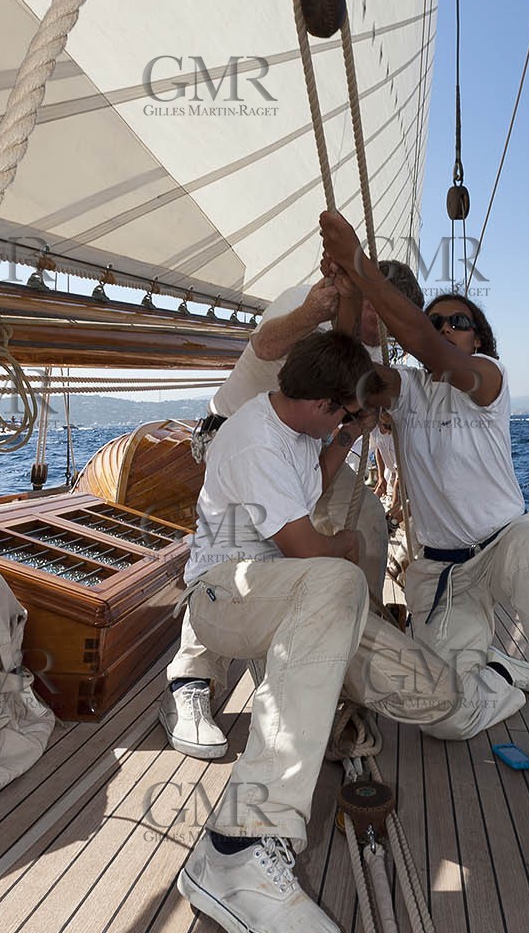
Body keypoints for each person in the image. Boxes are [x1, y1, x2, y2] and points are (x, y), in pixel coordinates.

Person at [174, 330, 523, 933]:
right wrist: (351, 548)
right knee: (337, 578)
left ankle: (487, 682)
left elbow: (309, 485)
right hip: (225, 596)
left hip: (293, 598)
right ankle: (238, 847)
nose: (343, 425)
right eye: (342, 414)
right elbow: (307, 549)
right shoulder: (251, 438)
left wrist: (342, 440)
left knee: (436, 695)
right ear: (323, 403)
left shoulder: (300, 429)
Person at [320, 210, 529, 811]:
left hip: (504, 546)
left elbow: (430, 351)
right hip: (443, 572)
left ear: (479, 341)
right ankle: (501, 674)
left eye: (459, 322)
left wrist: (359, 264)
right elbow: (348, 373)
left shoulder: (486, 381)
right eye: (435, 320)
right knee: (443, 719)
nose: (445, 328)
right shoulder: (408, 389)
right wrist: (348, 293)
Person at [162, 261, 423, 760]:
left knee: (367, 522)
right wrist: (310, 313)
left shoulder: (371, 346)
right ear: (369, 298)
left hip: (305, 445)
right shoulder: (310, 299)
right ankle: (191, 679)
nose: (388, 333)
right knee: (235, 550)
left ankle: (343, 654)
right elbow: (264, 346)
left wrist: (358, 423)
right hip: (239, 435)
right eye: (386, 317)